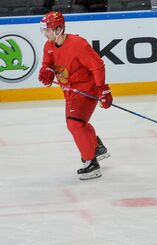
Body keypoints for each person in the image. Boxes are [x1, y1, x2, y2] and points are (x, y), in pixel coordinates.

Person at [38, 11, 112, 180]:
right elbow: (46, 64)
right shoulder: (49, 46)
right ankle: (96, 147)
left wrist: (102, 88)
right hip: (70, 92)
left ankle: (91, 164)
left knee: (74, 124)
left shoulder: (77, 44)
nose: (46, 34)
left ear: (58, 29)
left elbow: (97, 65)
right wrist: (46, 71)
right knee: (79, 123)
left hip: (87, 90)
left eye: (48, 30)